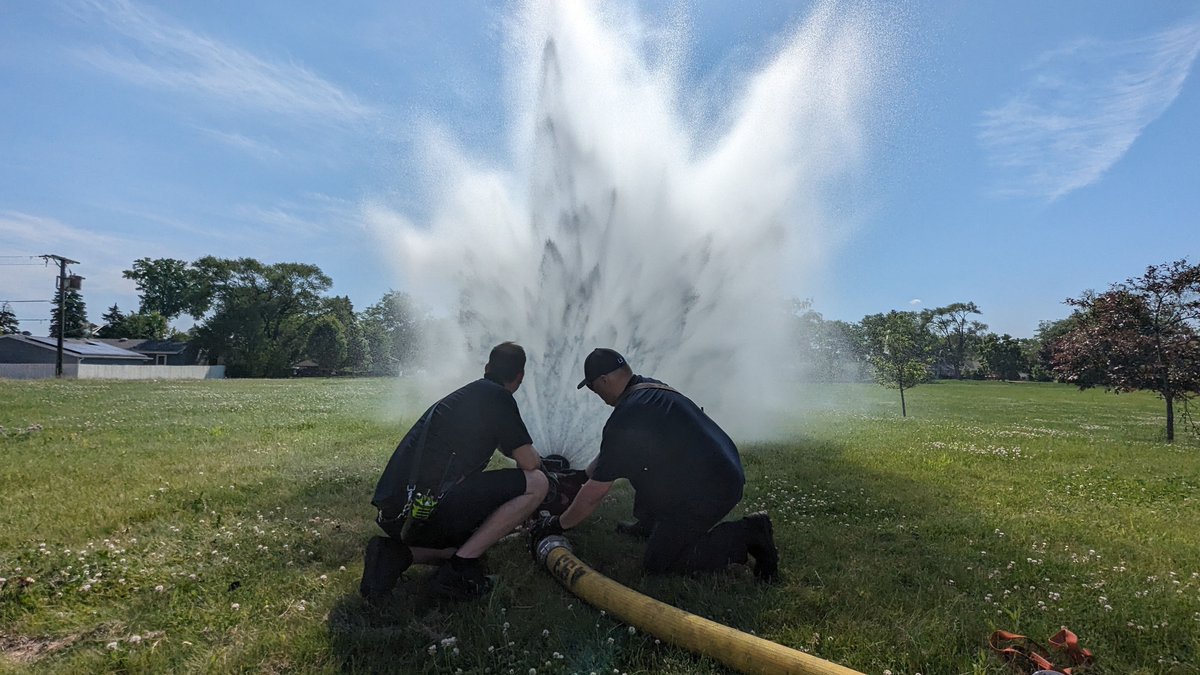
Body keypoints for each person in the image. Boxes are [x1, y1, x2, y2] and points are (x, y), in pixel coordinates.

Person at [532, 348, 779, 580]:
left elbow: (595, 494)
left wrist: (558, 523)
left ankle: (749, 534)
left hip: (712, 489)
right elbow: (613, 455)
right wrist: (581, 476)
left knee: (660, 562)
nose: (596, 395)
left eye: (594, 388)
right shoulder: (649, 389)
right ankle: (650, 525)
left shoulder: (627, 415)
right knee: (643, 466)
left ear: (605, 380)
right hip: (720, 470)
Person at [361, 342, 549, 602]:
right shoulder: (498, 396)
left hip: (400, 512)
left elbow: (505, 446)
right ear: (520, 377)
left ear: (487, 367)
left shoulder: (469, 395)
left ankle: (393, 555)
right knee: (537, 483)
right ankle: (460, 571)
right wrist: (541, 462)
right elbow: (529, 463)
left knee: (477, 538)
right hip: (426, 511)